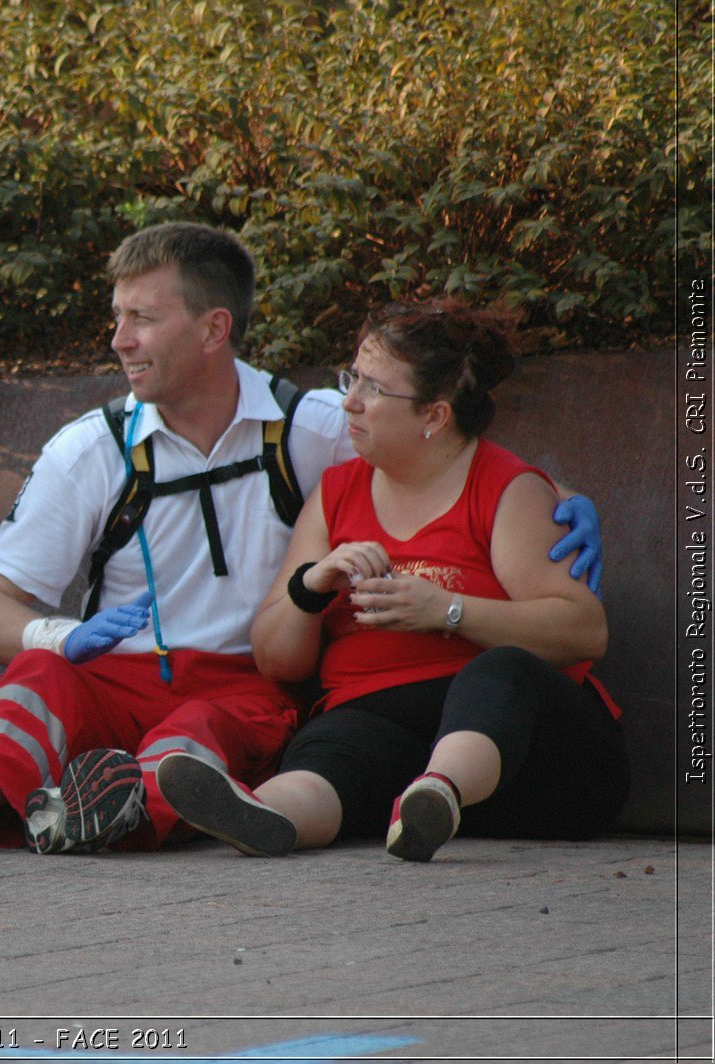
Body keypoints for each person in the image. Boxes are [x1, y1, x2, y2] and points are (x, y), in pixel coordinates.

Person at [0, 223, 605, 856]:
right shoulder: (89, 450)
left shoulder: (311, 428)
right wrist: (64, 635)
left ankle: (97, 812)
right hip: (118, 675)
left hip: (246, 685)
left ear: (215, 328)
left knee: (200, 729)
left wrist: (563, 499)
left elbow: (441, 454)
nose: (119, 340)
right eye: (118, 316)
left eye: (142, 319)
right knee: (38, 676)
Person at [159, 299, 628, 861]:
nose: (349, 402)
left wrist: (448, 610)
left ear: (434, 415)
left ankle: (440, 792)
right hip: (387, 739)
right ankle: (267, 813)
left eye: (374, 389)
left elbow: (583, 630)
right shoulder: (337, 493)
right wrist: (311, 588)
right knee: (335, 740)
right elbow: (277, 661)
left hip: (537, 767)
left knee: (499, 674)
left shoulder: (507, 488)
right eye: (352, 379)